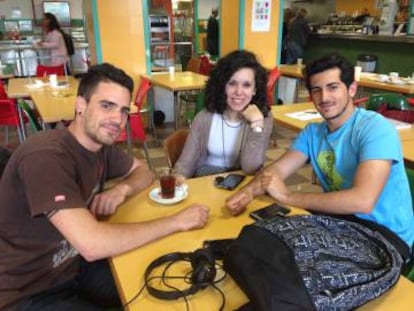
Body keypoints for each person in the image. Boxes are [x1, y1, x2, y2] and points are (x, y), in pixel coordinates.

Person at [0, 63, 210, 310]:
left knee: (165, 281)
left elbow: (144, 171)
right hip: (27, 291)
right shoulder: (45, 156)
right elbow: (92, 245)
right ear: (80, 105)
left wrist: (122, 190)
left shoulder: (99, 148)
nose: (117, 120)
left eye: (123, 110)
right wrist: (176, 221)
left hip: (74, 268)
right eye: (106, 106)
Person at [226, 54, 413, 257]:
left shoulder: (375, 128)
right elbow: (277, 170)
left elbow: (362, 201)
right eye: (317, 90)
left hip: (386, 239)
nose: (324, 98)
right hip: (340, 222)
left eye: (333, 87)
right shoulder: (313, 132)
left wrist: (288, 196)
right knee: (264, 245)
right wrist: (247, 192)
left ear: (351, 89)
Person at [174, 50, 273, 178]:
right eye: (232, 83)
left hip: (241, 181)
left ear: (255, 89)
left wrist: (256, 126)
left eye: (246, 85)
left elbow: (251, 168)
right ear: (222, 86)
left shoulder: (263, 118)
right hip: (206, 179)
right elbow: (186, 163)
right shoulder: (204, 117)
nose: (239, 92)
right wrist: (177, 177)